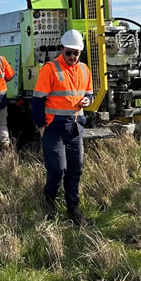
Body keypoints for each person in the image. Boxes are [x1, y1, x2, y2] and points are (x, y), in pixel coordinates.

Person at [32, 29, 93, 226]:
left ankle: (73, 210)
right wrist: (42, 127)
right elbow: (37, 100)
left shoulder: (84, 70)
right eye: (69, 52)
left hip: (75, 128)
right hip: (53, 129)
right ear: (61, 49)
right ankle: (48, 204)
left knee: (75, 170)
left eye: (76, 53)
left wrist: (87, 99)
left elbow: (89, 93)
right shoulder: (50, 69)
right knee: (58, 170)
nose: (72, 57)